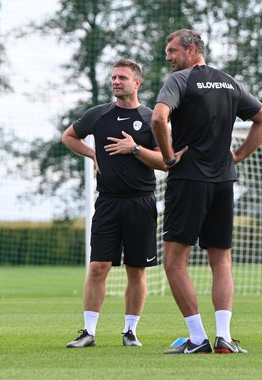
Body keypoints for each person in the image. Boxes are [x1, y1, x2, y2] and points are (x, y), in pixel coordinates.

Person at [151, 29, 262, 354]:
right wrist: (238, 155)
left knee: (175, 262)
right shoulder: (230, 82)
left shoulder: (179, 81)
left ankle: (197, 338)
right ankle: (223, 337)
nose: (168, 57)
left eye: (172, 50)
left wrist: (167, 157)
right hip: (224, 180)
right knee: (220, 260)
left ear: (192, 49)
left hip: (188, 178)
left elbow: (159, 118)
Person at [62, 59, 168, 348]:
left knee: (137, 270)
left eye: (122, 77)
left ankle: (130, 332)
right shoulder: (98, 115)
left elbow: (165, 162)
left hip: (141, 202)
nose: (115, 82)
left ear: (137, 83)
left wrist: (133, 149)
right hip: (107, 202)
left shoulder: (151, 119)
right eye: (113, 77)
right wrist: (92, 153)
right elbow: (69, 136)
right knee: (98, 266)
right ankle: (88, 332)